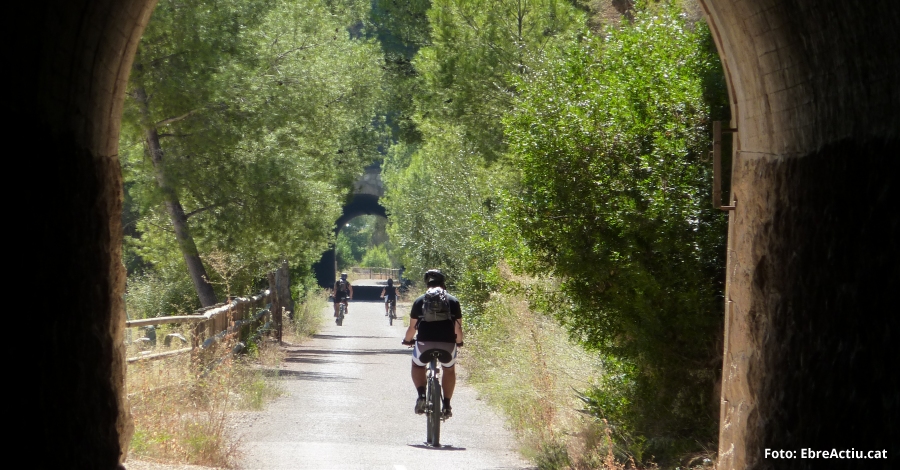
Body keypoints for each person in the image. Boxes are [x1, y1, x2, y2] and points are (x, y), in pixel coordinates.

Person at [402, 269, 464, 418]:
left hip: (424, 344)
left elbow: (412, 328)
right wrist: (459, 342)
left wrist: (407, 340)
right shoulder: (453, 301)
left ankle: (422, 396)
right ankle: (447, 405)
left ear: (426, 283)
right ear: (443, 283)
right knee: (449, 369)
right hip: (447, 345)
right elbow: (458, 327)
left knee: (417, 365)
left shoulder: (419, 301)